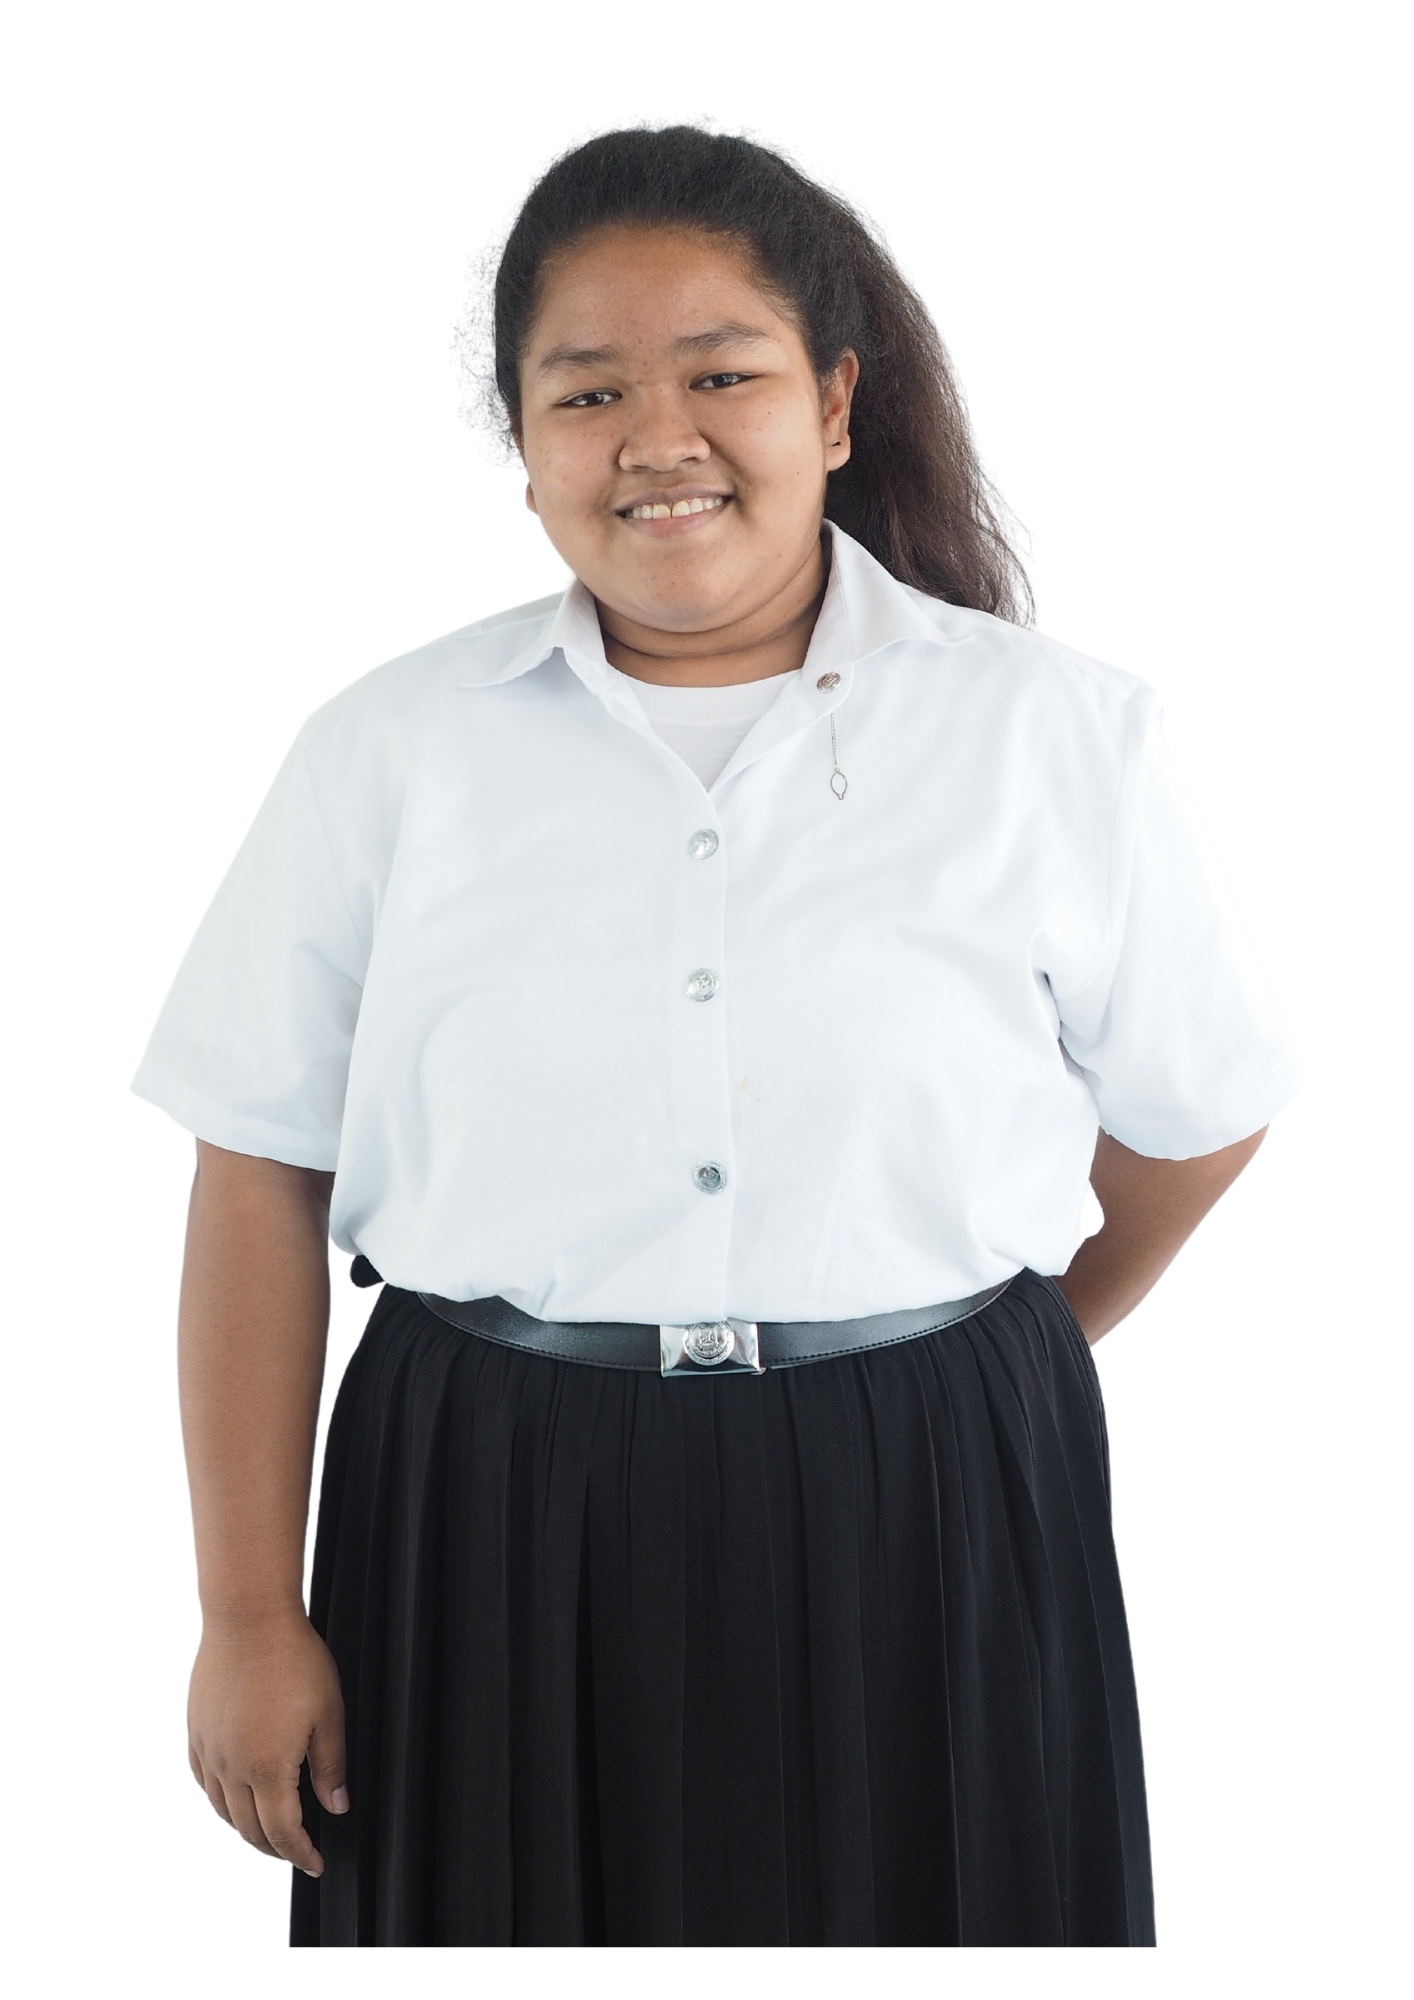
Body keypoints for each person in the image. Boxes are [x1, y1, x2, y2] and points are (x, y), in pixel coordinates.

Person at [133, 126, 1298, 1947]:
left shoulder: (1050, 735)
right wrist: (245, 1616)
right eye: (586, 391)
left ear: (832, 404)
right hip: (485, 1498)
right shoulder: (391, 751)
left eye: (721, 376)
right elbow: (256, 1171)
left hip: (934, 1492)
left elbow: (1196, 1115)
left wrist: (985, 1345)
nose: (655, 437)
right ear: (523, 445)